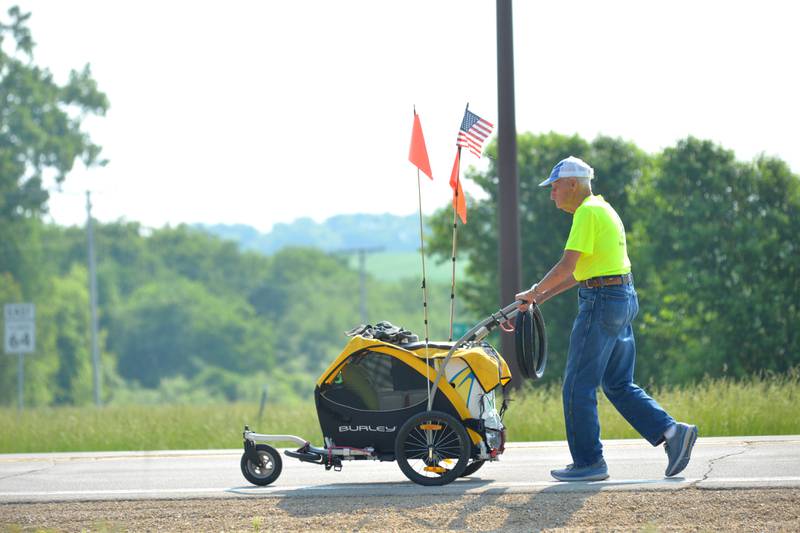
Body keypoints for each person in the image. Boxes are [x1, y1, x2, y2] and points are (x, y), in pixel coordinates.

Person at [515, 156, 697, 482]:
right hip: (620, 297)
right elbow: (582, 272)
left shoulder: (586, 213)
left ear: (573, 184)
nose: (551, 194)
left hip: (601, 301)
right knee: (617, 383)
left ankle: (588, 463)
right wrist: (537, 297)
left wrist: (533, 291)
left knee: (576, 386)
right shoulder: (603, 209)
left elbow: (567, 266)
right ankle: (672, 433)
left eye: (554, 187)